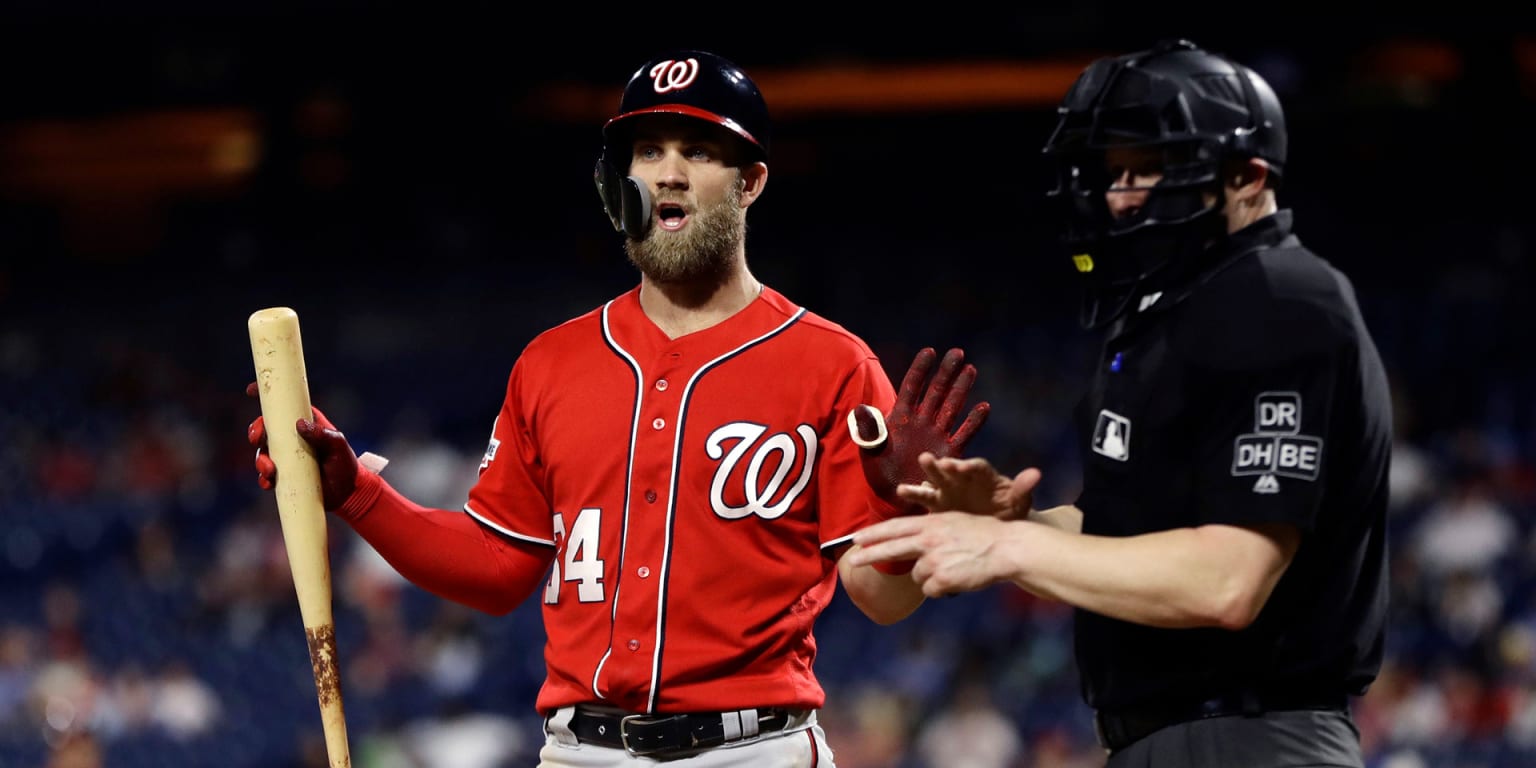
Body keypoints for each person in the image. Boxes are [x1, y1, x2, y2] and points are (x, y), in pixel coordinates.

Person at [247, 49, 989, 766]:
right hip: (579, 753)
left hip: (755, 751)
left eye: (700, 151)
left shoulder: (831, 364)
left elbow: (881, 600)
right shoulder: (552, 362)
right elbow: (498, 564)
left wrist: (902, 516)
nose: (669, 171)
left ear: (751, 181)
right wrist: (357, 496)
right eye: (648, 150)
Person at [850, 38, 1392, 766]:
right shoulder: (1168, 318)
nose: (1119, 195)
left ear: (1247, 176)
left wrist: (1012, 546)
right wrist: (1014, 524)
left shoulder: (1278, 299)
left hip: (1255, 737)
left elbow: (1227, 580)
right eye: (1112, 173)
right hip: (1165, 739)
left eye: (1149, 167)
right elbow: (1130, 533)